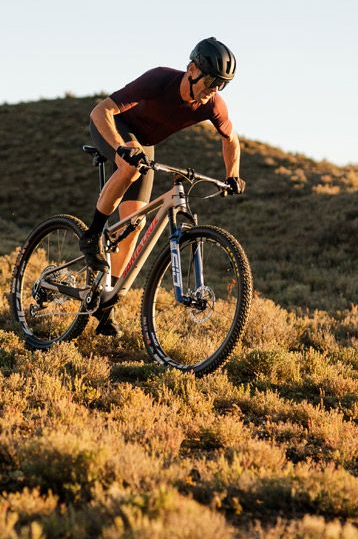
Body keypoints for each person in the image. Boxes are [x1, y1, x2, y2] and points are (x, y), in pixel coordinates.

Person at [81, 36, 246, 336]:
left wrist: (232, 174)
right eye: (211, 80)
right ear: (192, 69)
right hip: (115, 128)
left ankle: (105, 303)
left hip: (143, 145)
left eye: (221, 84)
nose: (214, 90)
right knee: (130, 167)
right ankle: (92, 235)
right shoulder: (159, 80)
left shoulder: (212, 105)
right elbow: (100, 111)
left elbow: (230, 139)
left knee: (134, 228)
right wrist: (120, 149)